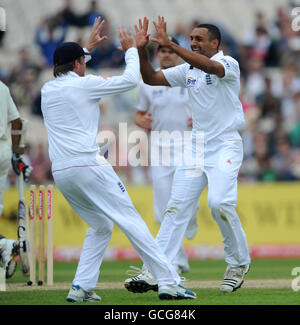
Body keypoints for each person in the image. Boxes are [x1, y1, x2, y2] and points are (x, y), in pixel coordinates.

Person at [41, 17, 196, 302]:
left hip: (61, 171)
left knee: (101, 226)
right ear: (78, 65)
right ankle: (168, 281)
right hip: (88, 164)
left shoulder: (47, 89)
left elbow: (70, 69)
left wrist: (84, 49)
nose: (84, 64)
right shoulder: (85, 85)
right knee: (131, 219)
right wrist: (131, 50)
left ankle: (81, 287)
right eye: (82, 61)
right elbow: (128, 81)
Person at [125, 17, 251, 294]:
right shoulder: (188, 71)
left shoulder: (228, 64)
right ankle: (157, 269)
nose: (193, 42)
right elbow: (151, 78)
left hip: (225, 145)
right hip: (196, 148)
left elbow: (211, 67)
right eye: (191, 39)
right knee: (175, 208)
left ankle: (238, 264)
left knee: (219, 204)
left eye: (199, 40)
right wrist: (143, 51)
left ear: (215, 44)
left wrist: (171, 45)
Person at [134, 37, 198, 274]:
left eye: (171, 51)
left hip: (189, 144)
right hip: (160, 148)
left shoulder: (191, 78)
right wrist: (143, 121)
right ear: (158, 54)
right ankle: (178, 261)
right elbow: (138, 115)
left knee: (188, 202)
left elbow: (208, 106)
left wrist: (199, 118)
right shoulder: (147, 83)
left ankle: (192, 217)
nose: (167, 55)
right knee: (163, 209)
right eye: (163, 51)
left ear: (179, 54)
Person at [0, 81, 32, 278]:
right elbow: (18, 122)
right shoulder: (2, 87)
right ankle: (5, 250)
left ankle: (6, 244)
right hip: (3, 151)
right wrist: (17, 154)